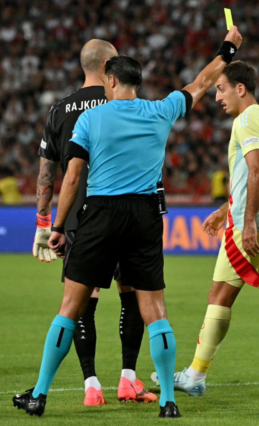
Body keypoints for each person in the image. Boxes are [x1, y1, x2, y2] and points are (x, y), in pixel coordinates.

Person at [12, 27, 243, 418]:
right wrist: (228, 49)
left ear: (112, 80)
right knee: (155, 308)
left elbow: (71, 177)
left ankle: (40, 394)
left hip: (100, 214)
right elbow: (202, 83)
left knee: (71, 306)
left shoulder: (92, 118)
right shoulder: (161, 110)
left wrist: (56, 226)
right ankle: (168, 401)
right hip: (146, 215)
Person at [160, 61, 259, 399]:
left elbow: (257, 170)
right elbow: (257, 177)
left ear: (240, 88)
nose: (217, 96)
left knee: (219, 296)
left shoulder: (245, 121)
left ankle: (195, 375)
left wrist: (246, 222)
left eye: (221, 88)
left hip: (254, 225)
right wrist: (223, 209)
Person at [32, 39, 154, 406]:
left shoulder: (58, 109)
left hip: (76, 218)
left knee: (82, 299)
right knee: (130, 292)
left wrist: (44, 222)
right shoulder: (124, 103)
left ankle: (91, 386)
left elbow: (47, 172)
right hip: (125, 211)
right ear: (110, 67)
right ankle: (129, 379)